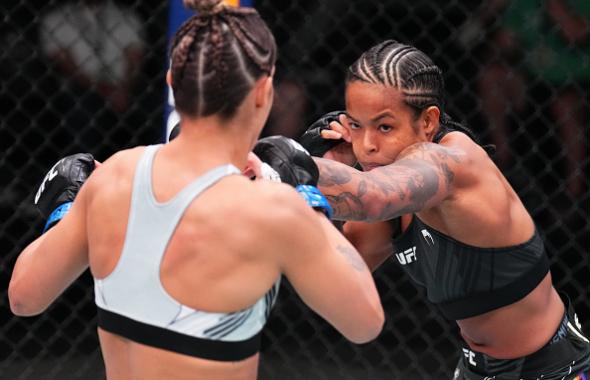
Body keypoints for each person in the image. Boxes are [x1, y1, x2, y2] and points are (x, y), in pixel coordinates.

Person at [8, 1, 384, 379]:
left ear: (172, 80)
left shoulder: (115, 175)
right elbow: (364, 321)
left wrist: (66, 212)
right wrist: (306, 197)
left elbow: (24, 297)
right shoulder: (275, 210)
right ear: (263, 91)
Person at [293, 40, 590, 379]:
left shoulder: (454, 162)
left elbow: (372, 196)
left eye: (385, 127)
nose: (367, 145)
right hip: (476, 369)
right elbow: (341, 282)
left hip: (553, 369)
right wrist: (329, 169)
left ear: (429, 122)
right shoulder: (382, 180)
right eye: (356, 125)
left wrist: (298, 166)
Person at [475, 0, 590, 197]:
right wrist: (491, 16)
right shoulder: (524, 4)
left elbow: (574, 33)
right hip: (534, 78)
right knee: (492, 77)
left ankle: (574, 191)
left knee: (565, 105)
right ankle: (503, 160)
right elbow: (505, 42)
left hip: (576, 80)